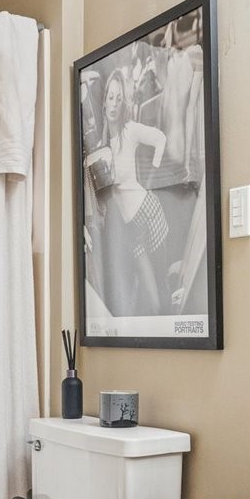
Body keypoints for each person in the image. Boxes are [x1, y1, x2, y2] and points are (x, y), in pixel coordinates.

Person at [82, 65, 171, 315]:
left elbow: (160, 138)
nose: (113, 104)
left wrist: (155, 175)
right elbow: (99, 202)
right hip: (130, 230)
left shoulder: (129, 130)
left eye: (119, 99)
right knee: (150, 298)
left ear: (124, 104)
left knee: (160, 291)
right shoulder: (99, 146)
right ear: (104, 102)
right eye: (110, 97)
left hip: (148, 212)